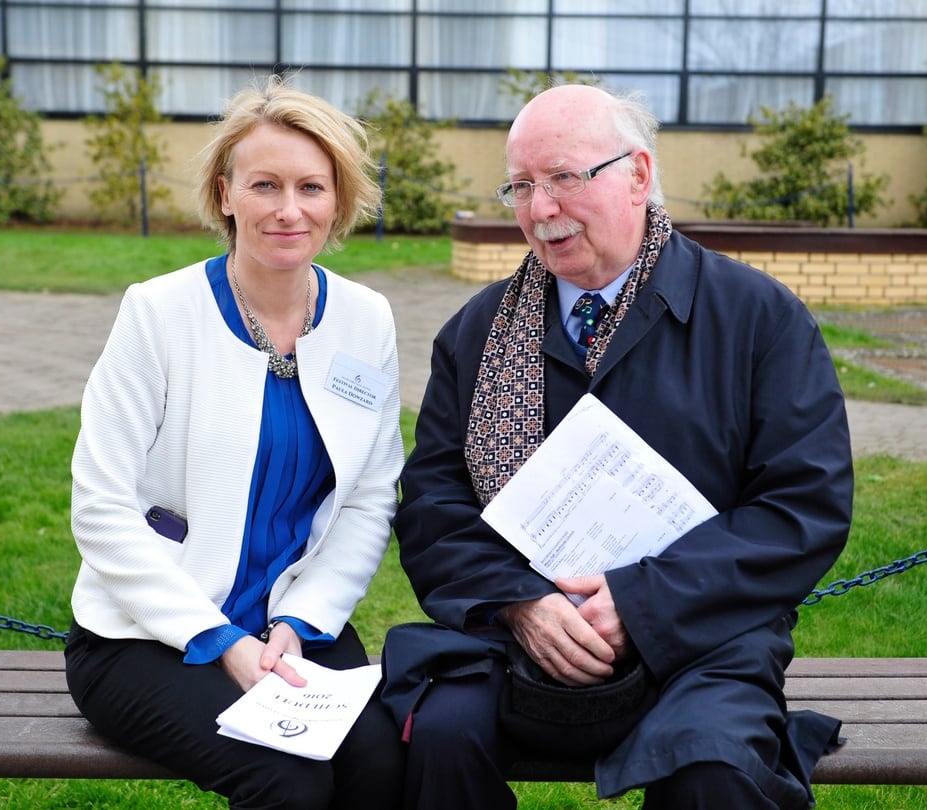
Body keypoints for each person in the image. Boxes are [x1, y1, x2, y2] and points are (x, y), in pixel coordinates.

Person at [385, 83, 854, 809]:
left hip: (703, 636)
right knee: (431, 738)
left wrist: (641, 603)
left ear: (638, 175)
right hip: (516, 637)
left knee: (714, 774)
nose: (540, 210)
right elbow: (435, 510)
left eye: (565, 178)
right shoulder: (477, 335)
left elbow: (802, 506)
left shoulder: (758, 318)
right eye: (522, 185)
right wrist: (521, 605)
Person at [64, 76, 405, 810]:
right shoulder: (158, 314)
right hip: (145, 636)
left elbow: (370, 495)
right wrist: (221, 640)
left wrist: (300, 620)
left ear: (339, 201)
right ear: (225, 194)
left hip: (294, 623)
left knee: (382, 764)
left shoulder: (366, 320)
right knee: (285, 779)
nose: (289, 209)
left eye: (312, 187)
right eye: (264, 185)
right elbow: (100, 508)